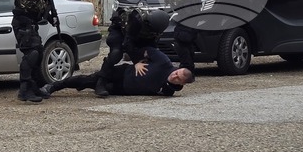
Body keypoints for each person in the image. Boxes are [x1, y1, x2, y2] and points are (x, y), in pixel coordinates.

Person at [134, 0, 199, 71]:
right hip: (189, 11)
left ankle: (187, 67)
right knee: (185, 40)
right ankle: (189, 68)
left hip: (189, 12)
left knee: (182, 39)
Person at [49, 46, 194, 97]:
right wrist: (137, 61)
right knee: (90, 79)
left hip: (123, 89)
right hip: (123, 73)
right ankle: (53, 86)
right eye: (177, 72)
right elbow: (146, 50)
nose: (174, 75)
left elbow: (169, 89)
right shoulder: (164, 62)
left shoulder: (170, 89)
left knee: (93, 86)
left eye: (178, 78)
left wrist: (172, 83)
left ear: (182, 83)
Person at [11, 0, 57, 103]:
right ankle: (24, 90)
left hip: (31, 22)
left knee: (39, 52)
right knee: (32, 53)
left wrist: (51, 17)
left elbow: (39, 6)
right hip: (22, 21)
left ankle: (35, 86)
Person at [96, 7, 171, 97]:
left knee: (145, 60)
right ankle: (101, 81)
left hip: (137, 39)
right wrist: (136, 63)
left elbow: (152, 46)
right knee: (116, 54)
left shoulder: (156, 29)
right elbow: (127, 44)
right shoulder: (136, 21)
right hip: (120, 31)